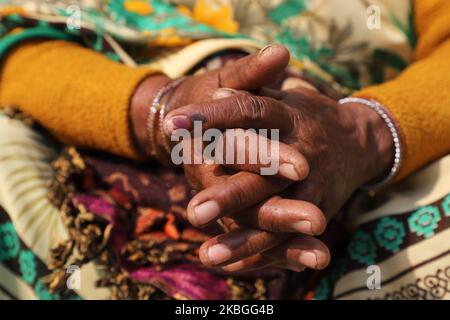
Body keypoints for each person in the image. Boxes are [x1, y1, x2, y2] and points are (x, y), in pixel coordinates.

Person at [0, 0, 449, 300]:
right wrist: (164, 110)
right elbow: (17, 38)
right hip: (85, 155)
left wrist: (361, 133)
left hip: (365, 164)